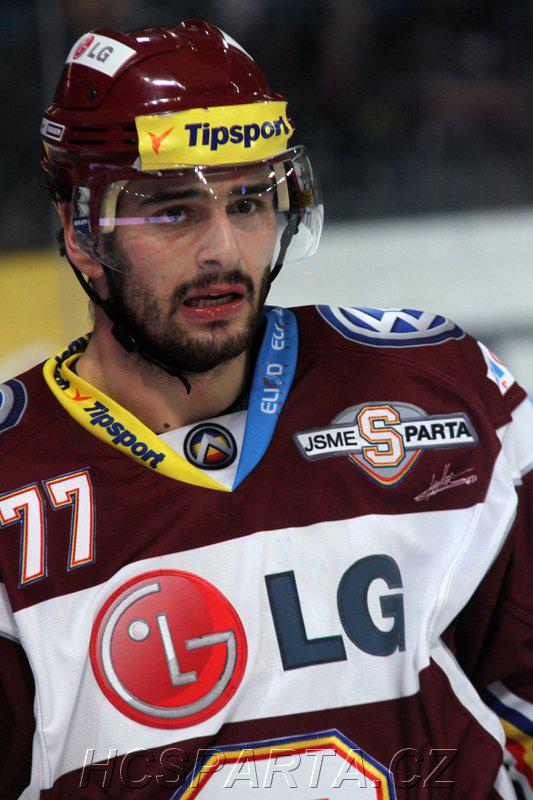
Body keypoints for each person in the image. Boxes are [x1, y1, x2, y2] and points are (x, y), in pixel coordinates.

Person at [0, 19, 531, 800]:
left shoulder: (436, 386)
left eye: (248, 202)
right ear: (80, 231)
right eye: (171, 211)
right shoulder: (15, 486)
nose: (222, 249)